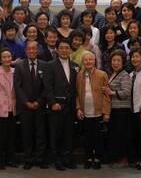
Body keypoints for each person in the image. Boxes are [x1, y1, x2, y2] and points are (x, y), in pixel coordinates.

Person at [44, 39, 79, 171]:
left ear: (70, 50)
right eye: (62, 48)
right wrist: (52, 103)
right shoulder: (50, 65)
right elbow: (47, 87)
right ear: (57, 50)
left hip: (70, 107)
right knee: (55, 134)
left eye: (67, 48)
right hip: (56, 106)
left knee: (68, 134)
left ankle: (67, 158)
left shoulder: (75, 65)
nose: (64, 50)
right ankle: (57, 160)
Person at [14, 41, 48, 170]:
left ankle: (40, 159)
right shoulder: (19, 66)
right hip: (25, 106)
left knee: (41, 133)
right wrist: (26, 102)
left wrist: (38, 101)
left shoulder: (45, 65)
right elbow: (18, 86)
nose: (32, 51)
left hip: (40, 105)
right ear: (25, 50)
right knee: (26, 133)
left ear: (38, 51)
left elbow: (47, 86)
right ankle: (28, 159)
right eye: (29, 49)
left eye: (34, 49)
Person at [76, 51, 111, 170]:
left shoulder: (102, 74)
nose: (88, 62)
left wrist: (106, 112)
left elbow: (107, 95)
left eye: (90, 59)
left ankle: (97, 158)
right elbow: (77, 93)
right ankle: (89, 158)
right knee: (87, 137)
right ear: (83, 62)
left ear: (94, 61)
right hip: (85, 112)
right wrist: (79, 108)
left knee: (98, 137)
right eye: (85, 60)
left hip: (98, 112)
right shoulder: (79, 75)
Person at [102, 49, 131, 168]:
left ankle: (123, 160)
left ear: (123, 62)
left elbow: (126, 92)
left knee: (121, 135)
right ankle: (116, 158)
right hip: (113, 110)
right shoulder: (112, 73)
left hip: (122, 110)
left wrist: (111, 92)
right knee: (114, 135)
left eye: (118, 60)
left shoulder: (124, 74)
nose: (116, 63)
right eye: (114, 60)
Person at [0, 48, 17, 170]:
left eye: (9, 57)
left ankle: (10, 159)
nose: (7, 59)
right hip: (0, 109)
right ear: (0, 59)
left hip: (13, 108)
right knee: (0, 136)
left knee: (11, 136)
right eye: (4, 57)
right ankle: (0, 160)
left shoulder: (16, 72)